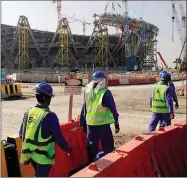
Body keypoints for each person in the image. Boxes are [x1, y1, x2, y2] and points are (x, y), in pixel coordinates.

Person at [19, 82, 72, 177]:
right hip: (44, 157)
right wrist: (68, 148)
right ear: (45, 98)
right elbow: (59, 138)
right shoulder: (50, 116)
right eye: (50, 97)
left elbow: (21, 134)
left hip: (31, 155)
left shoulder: (28, 112)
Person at [80, 71, 120, 162]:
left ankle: (90, 165)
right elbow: (113, 109)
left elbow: (84, 107)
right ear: (102, 81)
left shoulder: (87, 92)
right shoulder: (105, 93)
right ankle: (96, 160)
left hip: (90, 124)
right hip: (102, 125)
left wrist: (82, 122)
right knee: (108, 146)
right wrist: (116, 122)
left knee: (92, 146)